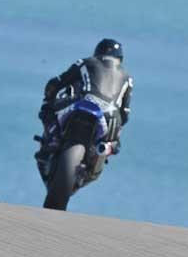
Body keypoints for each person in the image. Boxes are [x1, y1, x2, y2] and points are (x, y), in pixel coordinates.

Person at [35, 39, 133, 180]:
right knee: (114, 145)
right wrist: (116, 133)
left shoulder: (85, 62)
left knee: (47, 111)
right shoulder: (128, 77)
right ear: (120, 58)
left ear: (98, 52)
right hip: (111, 114)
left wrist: (47, 102)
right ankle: (101, 153)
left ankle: (53, 139)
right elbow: (125, 113)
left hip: (84, 102)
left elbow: (57, 82)